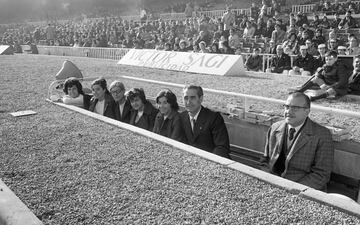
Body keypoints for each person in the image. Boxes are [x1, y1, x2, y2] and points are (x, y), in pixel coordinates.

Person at [262, 92, 334, 190]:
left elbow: (321, 175)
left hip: (302, 190)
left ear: (307, 111)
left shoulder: (322, 135)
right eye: (287, 106)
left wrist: (293, 190)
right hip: (272, 185)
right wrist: (266, 180)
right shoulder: (275, 128)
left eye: (295, 108)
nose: (288, 111)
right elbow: (265, 160)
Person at [180, 85, 230, 158]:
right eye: (186, 98)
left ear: (200, 99)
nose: (188, 102)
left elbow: (221, 147)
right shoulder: (181, 117)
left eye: (192, 98)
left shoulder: (214, 118)